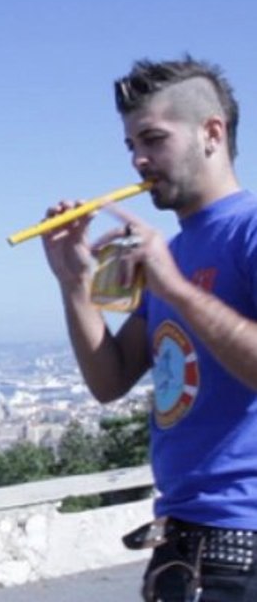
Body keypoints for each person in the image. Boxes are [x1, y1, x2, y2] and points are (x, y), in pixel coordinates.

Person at [42, 56, 257, 601]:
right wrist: (74, 281)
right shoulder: (173, 251)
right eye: (131, 145)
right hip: (182, 546)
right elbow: (110, 381)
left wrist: (178, 290)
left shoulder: (247, 232)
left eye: (154, 139)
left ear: (213, 133)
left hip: (243, 546)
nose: (139, 159)